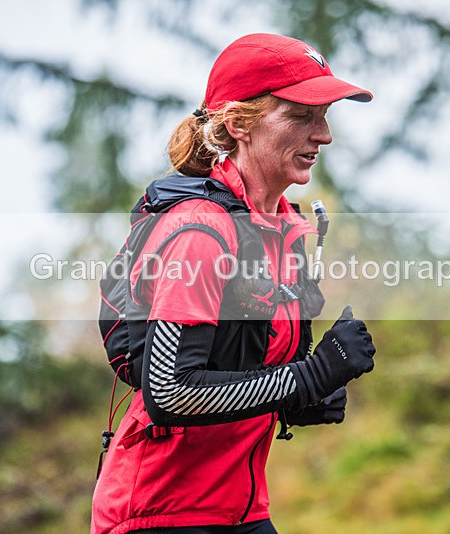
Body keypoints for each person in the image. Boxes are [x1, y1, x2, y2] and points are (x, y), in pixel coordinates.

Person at [91, 33, 376, 534]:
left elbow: (239, 368)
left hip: (238, 508)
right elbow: (170, 392)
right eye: (301, 116)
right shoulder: (200, 231)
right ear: (237, 125)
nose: (324, 134)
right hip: (160, 513)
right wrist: (313, 374)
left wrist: (304, 399)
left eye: (325, 115)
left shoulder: (280, 228)